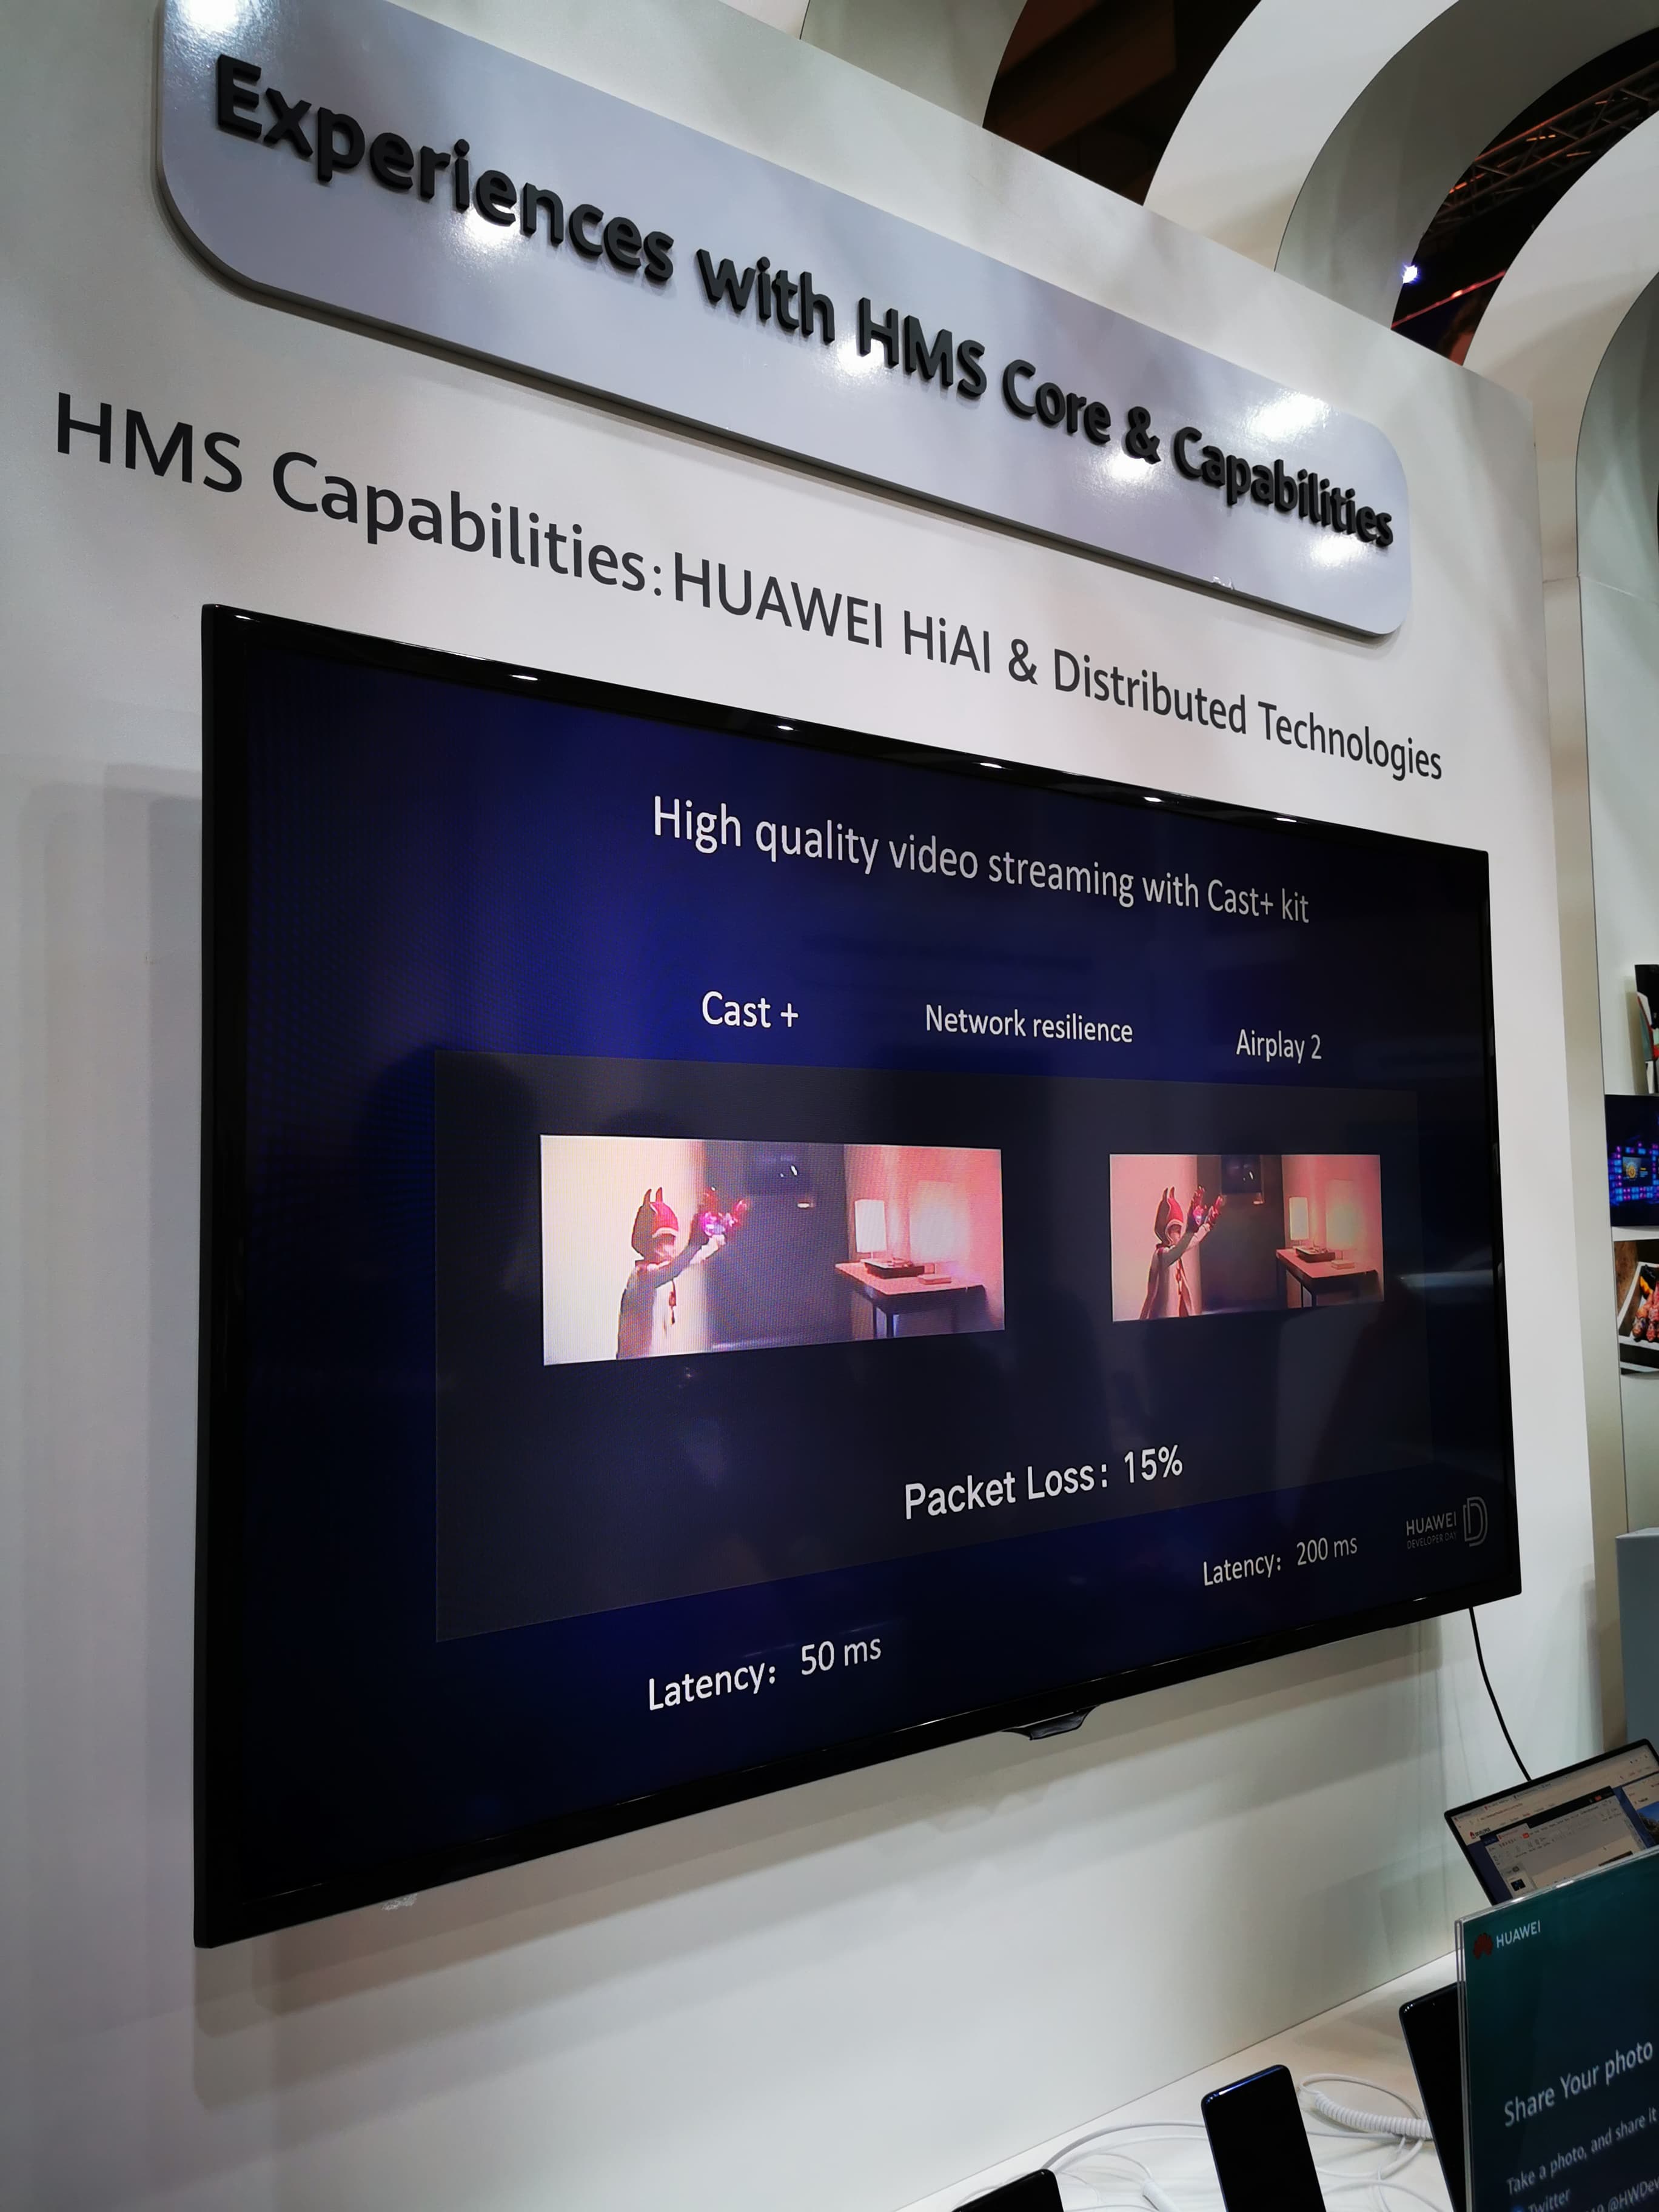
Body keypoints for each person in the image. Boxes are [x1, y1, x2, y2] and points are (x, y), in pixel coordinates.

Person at [616, 1185, 746, 1359]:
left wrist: (723, 1236)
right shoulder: (642, 1276)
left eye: (672, 1240)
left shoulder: (660, 1272)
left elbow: (692, 1259)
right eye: (665, 1240)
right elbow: (674, 1269)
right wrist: (694, 1245)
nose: (672, 1247)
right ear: (648, 1241)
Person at [1139, 1185, 1225, 1320]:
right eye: (1177, 1231)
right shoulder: (1162, 1255)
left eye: (1181, 1231)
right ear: (1166, 1231)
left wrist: (1208, 1224)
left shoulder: (1174, 1252)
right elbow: (1181, 1247)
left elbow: (1192, 1240)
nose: (1180, 1236)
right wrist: (1191, 1228)